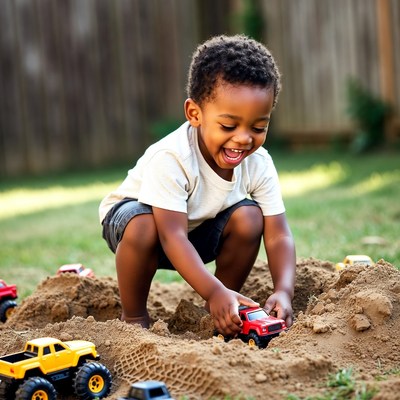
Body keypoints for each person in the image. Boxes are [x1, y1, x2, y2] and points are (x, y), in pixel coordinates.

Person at [99, 34, 296, 336]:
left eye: (258, 127)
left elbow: (278, 234)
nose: (244, 138)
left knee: (250, 218)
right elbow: (172, 235)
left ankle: (220, 308)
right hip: (140, 229)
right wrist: (211, 289)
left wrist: (284, 290)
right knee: (144, 224)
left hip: (195, 230)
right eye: (229, 126)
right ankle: (134, 317)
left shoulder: (259, 162)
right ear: (195, 114)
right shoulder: (172, 157)